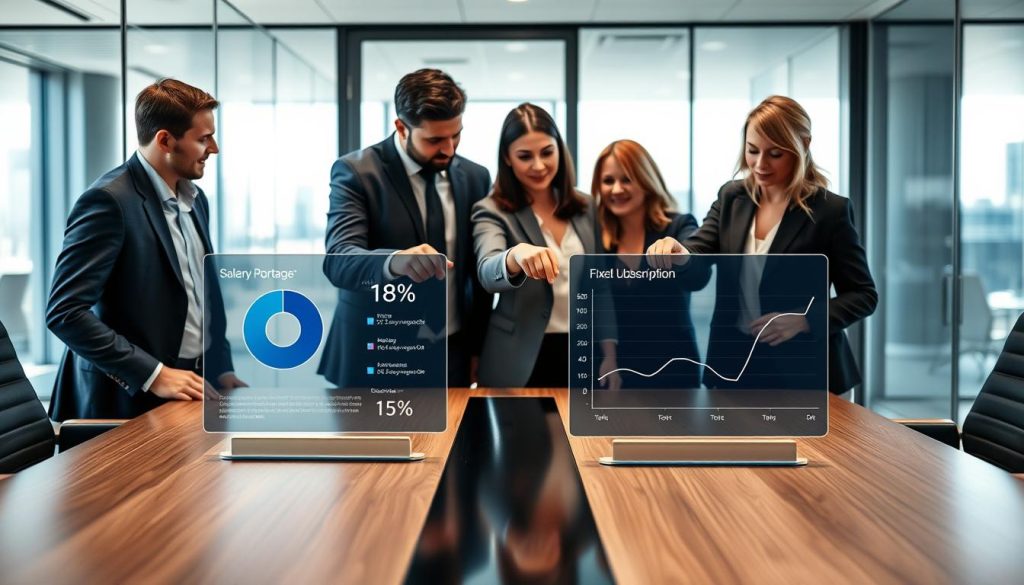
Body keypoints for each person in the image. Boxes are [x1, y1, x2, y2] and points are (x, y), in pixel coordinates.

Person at [648, 95, 877, 396]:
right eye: (752, 150)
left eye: (775, 154)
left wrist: (804, 321)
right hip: (735, 367)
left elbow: (863, 295)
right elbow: (699, 251)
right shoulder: (732, 197)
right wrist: (679, 253)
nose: (759, 164)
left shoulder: (830, 211)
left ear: (803, 145)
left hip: (808, 372)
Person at [47, 78, 245, 421]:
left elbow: (203, 297)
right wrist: (154, 374)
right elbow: (65, 313)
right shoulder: (109, 201)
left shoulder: (197, 200)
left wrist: (221, 367)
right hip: (125, 398)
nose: (214, 148)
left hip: (193, 386)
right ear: (165, 140)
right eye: (203, 138)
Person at [319, 68, 492, 388]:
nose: (449, 149)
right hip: (377, 351)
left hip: (452, 352)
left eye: (456, 135)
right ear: (401, 127)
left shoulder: (475, 176)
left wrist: (478, 349)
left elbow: (476, 274)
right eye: (435, 140)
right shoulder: (357, 172)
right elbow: (339, 260)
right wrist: (394, 261)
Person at [472, 103, 615, 388]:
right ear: (507, 158)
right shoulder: (491, 210)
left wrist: (610, 354)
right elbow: (488, 270)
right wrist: (514, 256)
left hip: (580, 350)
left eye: (547, 152)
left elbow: (599, 286)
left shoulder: (586, 206)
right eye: (525, 156)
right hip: (519, 356)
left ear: (559, 149)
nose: (538, 166)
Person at [593, 140, 710, 389]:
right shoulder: (596, 237)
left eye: (627, 179)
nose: (616, 189)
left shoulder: (678, 226)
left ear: (646, 180)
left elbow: (698, 276)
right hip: (613, 371)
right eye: (608, 181)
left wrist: (679, 254)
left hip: (672, 371)